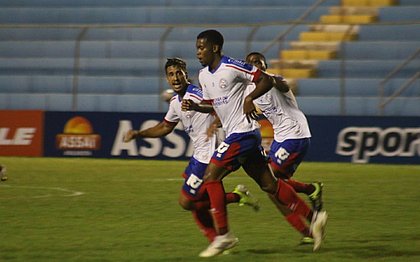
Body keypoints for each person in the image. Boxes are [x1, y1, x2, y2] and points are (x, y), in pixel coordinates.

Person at [182, 29, 328, 257]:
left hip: (244, 134)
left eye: (202, 47)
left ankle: (223, 235)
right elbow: (215, 105)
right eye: (197, 48)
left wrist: (249, 98)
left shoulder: (231, 66)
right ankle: (314, 218)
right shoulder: (203, 76)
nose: (198, 52)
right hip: (238, 135)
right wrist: (196, 107)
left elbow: (267, 79)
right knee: (270, 185)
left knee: (211, 176)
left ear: (215, 48)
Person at [123, 58, 259, 249]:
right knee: (191, 202)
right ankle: (229, 215)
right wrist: (139, 134)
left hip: (210, 155)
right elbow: (164, 127)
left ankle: (222, 237)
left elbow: (219, 106)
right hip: (198, 156)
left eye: (179, 73)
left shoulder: (196, 94)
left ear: (186, 74)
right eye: (171, 74)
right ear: (167, 78)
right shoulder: (175, 101)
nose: (176, 77)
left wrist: (215, 122)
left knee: (187, 201)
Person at [245, 51, 325, 244]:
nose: (255, 65)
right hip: (281, 138)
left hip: (295, 134)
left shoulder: (275, 80)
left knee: (271, 177)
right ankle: (307, 229)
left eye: (258, 62)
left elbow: (278, 84)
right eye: (250, 63)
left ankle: (311, 199)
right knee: (271, 188)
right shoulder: (251, 93)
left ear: (265, 65)